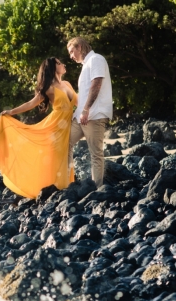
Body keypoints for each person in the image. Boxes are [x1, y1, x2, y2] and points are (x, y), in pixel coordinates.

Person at [0, 57, 77, 199]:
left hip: (68, 124)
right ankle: (58, 190)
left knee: (67, 155)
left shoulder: (67, 84)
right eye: (60, 63)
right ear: (53, 68)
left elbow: (78, 102)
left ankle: (66, 187)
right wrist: (11, 112)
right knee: (57, 157)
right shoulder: (49, 88)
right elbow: (31, 103)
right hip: (55, 128)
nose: (63, 64)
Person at [66, 37, 113, 188]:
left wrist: (86, 109)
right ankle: (66, 182)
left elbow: (96, 85)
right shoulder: (85, 65)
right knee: (64, 143)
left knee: (96, 154)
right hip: (81, 117)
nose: (71, 56)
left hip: (94, 115)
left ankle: (97, 190)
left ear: (79, 47)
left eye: (72, 51)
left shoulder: (96, 59)